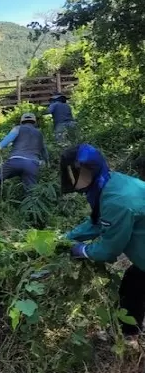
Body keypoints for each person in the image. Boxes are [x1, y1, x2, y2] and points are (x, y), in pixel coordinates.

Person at [62, 144, 145, 346]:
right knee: (133, 284)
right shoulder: (110, 183)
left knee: (135, 283)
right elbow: (98, 221)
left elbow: (109, 249)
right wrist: (68, 237)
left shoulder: (117, 200)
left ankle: (129, 338)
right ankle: (129, 333)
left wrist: (83, 251)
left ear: (86, 170)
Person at [0, 113, 49, 194]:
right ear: (35, 122)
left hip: (15, 162)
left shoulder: (18, 128)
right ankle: (31, 205)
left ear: (21, 122)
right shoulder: (39, 134)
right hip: (32, 164)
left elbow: (9, 138)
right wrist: (47, 162)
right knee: (32, 193)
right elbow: (44, 150)